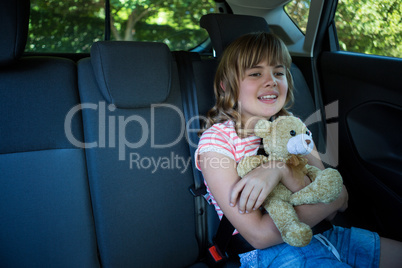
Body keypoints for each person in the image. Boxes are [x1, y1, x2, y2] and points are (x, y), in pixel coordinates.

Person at [195, 32, 402, 267]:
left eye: (279, 72)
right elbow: (259, 236)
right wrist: (332, 200)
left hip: (330, 235)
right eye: (255, 73)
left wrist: (280, 169)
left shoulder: (294, 128)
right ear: (226, 86)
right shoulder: (218, 141)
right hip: (276, 253)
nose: (271, 80)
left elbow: (338, 203)